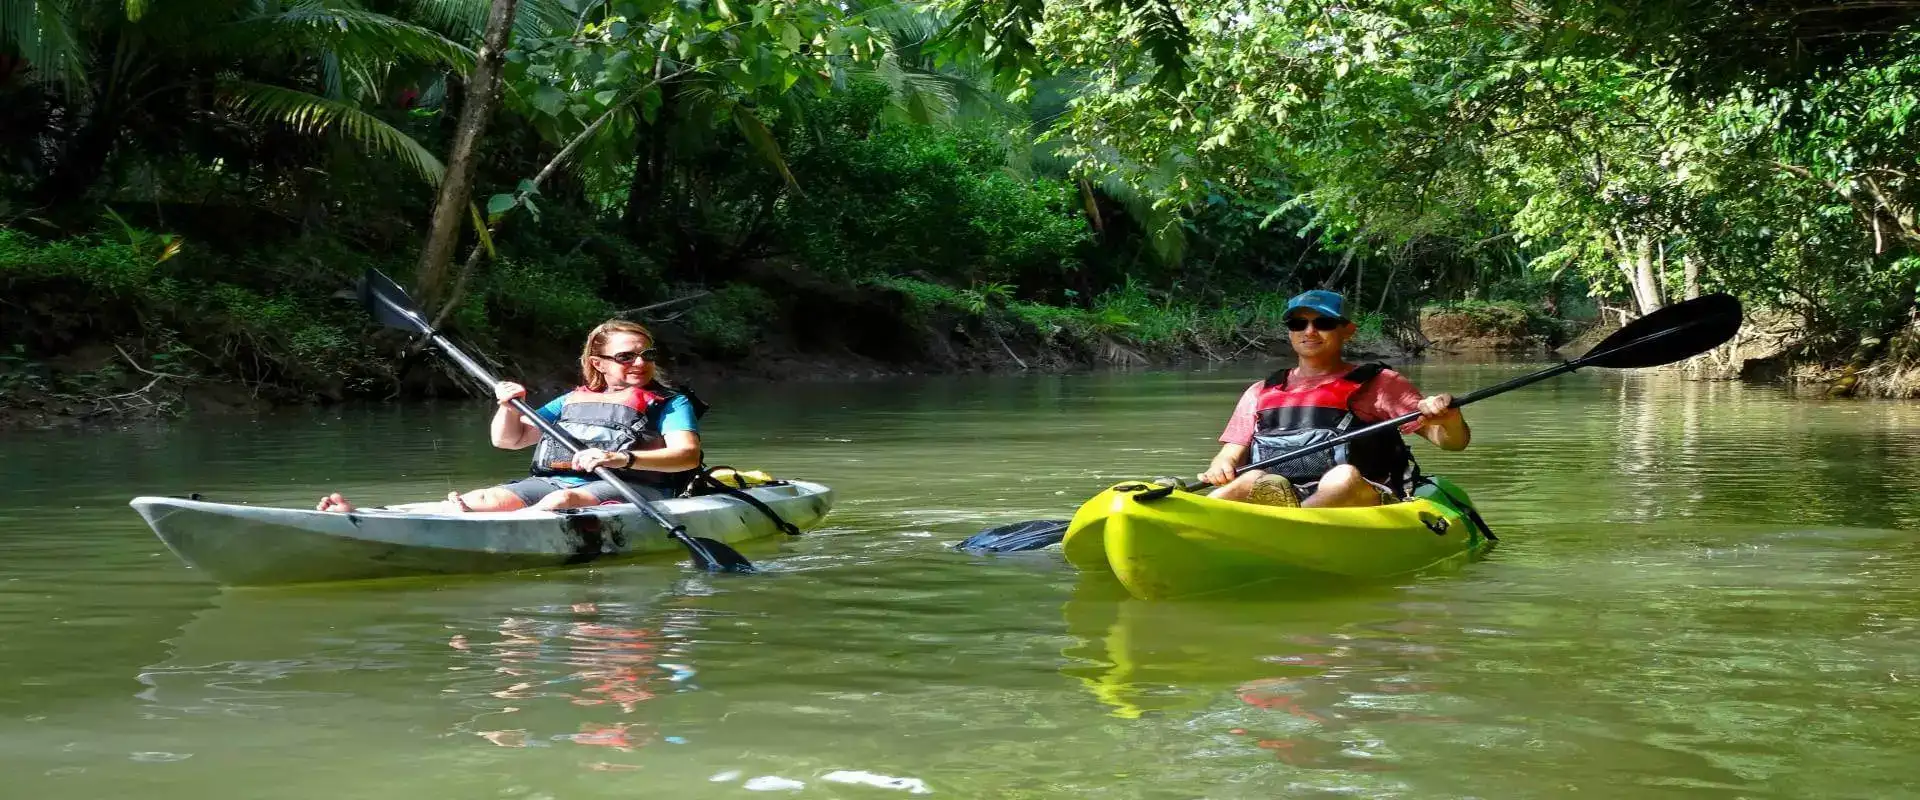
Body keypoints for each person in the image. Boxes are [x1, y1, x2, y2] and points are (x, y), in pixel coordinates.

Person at [316, 320, 703, 513]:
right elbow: (509, 440)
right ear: (598, 363)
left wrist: (621, 458)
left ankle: (495, 538)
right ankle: (364, 517)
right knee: (476, 499)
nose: (639, 363)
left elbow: (687, 456)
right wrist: (506, 405)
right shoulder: (571, 400)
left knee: (562, 501)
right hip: (554, 483)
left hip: (634, 490)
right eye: (626, 356)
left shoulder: (668, 402)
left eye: (646, 355)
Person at [1198, 290, 1469, 508]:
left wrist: (1450, 419)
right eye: (1298, 323)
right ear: (1290, 331)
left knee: (1343, 477)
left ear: (1347, 330)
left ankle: (1297, 524)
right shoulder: (1261, 391)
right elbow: (1228, 455)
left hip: (1361, 497)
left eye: (1323, 323)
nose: (1309, 331)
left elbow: (1452, 443)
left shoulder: (1381, 383)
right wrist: (1221, 467)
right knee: (1253, 478)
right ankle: (1198, 514)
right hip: (1279, 493)